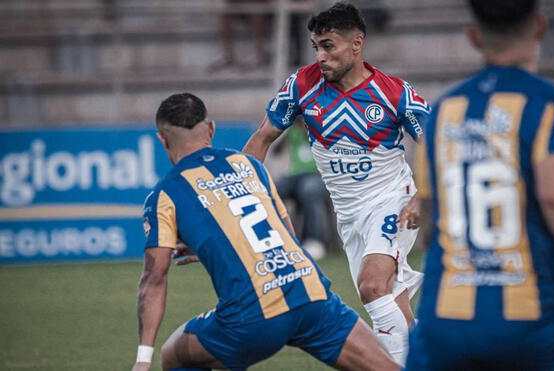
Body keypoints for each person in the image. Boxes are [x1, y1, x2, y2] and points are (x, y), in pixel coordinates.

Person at [405, 0, 554, 369]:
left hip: (442, 321)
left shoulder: (442, 111)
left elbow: (431, 221)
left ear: (473, 37)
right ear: (540, 28)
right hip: (529, 317)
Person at [131, 93, 399, 371]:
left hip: (251, 318)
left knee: (173, 355)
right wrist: (221, 243)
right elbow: (287, 234)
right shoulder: (247, 165)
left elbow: (155, 276)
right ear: (211, 128)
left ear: (162, 140)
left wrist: (142, 358)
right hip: (310, 294)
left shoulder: (165, 194)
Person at [242, 2, 430, 365]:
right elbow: (262, 139)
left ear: (356, 44)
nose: (320, 56)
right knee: (391, 303)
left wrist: (422, 196)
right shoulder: (301, 86)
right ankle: (440, 354)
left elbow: (436, 145)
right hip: (349, 214)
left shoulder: (395, 93)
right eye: (316, 46)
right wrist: (239, 189)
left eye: (328, 45)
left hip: (391, 199)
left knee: (373, 286)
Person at [274, 118, 331, 260]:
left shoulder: (319, 126)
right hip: (295, 174)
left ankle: (314, 240)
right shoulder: (292, 129)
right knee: (273, 190)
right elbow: (276, 150)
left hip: (316, 174)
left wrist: (305, 126)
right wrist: (284, 131)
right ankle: (274, 238)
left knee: (309, 190)